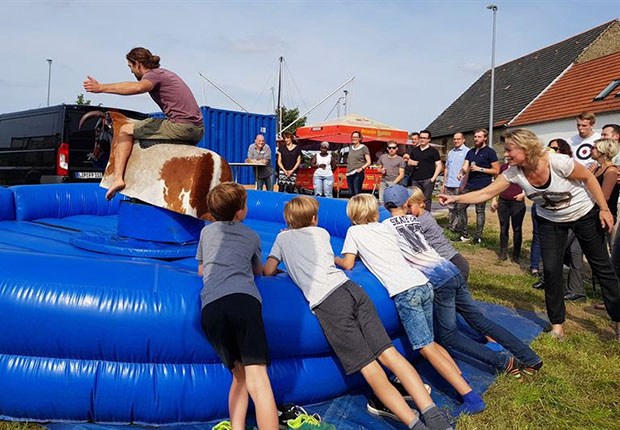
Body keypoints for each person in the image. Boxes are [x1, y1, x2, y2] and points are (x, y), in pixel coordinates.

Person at [264, 196, 453, 430]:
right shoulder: (322, 232)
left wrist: (285, 264)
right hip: (352, 290)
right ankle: (433, 414)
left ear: (287, 220)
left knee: (370, 368)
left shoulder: (282, 238)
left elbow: (268, 270)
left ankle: (415, 424)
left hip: (328, 303)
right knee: (389, 354)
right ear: (315, 218)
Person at [439, 129, 620, 341]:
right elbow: (486, 193)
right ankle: (557, 325)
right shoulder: (513, 172)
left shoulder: (557, 162)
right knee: (551, 271)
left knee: (602, 266)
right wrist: (456, 199)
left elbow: (588, 178)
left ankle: (617, 319)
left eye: (509, 150)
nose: (505, 155)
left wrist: (604, 209)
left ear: (525, 149)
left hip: (582, 214)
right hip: (550, 220)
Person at [387, 186, 542, 373]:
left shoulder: (408, 224)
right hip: (452, 269)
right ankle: (529, 357)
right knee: (477, 320)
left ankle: (502, 361)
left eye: (412, 205)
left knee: (449, 336)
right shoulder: (416, 219)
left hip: (445, 275)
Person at [196, 182, 278, 430]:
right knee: (258, 380)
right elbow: (257, 272)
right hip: (243, 301)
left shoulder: (206, 233)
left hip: (211, 308)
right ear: (240, 212)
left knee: (239, 375)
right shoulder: (252, 235)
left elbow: (202, 270)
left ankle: (237, 427)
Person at [84, 47, 204, 200]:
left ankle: (118, 178)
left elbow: (139, 87)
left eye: (130, 67)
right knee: (147, 128)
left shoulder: (153, 75)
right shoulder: (165, 74)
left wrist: (101, 88)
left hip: (181, 126)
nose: (131, 72)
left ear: (138, 64)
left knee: (125, 131)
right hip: (197, 129)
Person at [454, 129, 499, 244]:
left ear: (485, 138)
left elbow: (496, 170)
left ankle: (477, 236)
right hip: (470, 185)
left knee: (479, 210)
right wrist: (461, 173)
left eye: (479, 137)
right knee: (460, 207)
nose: (476, 139)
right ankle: (463, 234)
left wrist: (481, 169)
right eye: (475, 137)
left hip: (482, 186)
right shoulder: (471, 152)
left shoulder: (490, 152)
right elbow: (465, 166)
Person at [490, 162, 525, 263]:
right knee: (503, 228)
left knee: (517, 229)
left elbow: (530, 182)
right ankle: (503, 253)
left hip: (517, 203)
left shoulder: (522, 168)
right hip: (503, 202)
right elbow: (496, 184)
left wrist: (523, 194)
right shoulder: (503, 168)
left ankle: (516, 255)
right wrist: (494, 200)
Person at [442, 133, 469, 233]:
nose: (456, 141)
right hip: (449, 183)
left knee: (459, 208)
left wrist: (464, 184)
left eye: (458, 139)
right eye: (454, 139)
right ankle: (452, 226)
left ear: (463, 140)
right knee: (451, 207)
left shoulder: (467, 152)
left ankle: (461, 228)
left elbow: (468, 169)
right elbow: (446, 168)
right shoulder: (451, 152)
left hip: (459, 184)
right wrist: (444, 183)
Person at [408, 130, 442, 211]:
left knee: (426, 200)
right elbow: (409, 162)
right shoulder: (414, 150)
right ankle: (416, 216)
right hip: (415, 179)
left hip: (428, 179)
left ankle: (426, 217)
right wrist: (411, 163)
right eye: (421, 138)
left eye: (424, 138)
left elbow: (439, 165)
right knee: (415, 199)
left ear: (429, 139)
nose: (422, 139)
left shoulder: (433, 151)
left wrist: (433, 178)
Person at [345, 131, 371, 197]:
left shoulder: (364, 148)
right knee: (350, 193)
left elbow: (369, 162)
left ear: (360, 138)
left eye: (356, 137)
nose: (354, 138)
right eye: (353, 137)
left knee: (357, 193)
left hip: (358, 172)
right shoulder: (350, 147)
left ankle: (358, 206)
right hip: (349, 172)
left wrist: (361, 168)